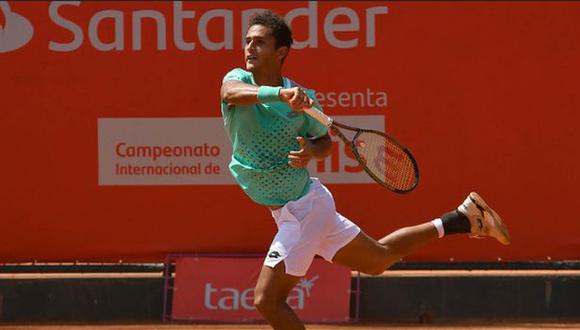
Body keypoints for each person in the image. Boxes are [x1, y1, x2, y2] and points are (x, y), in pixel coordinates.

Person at [219, 10, 511, 330]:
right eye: (247, 41)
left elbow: (323, 144)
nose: (249, 48)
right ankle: (462, 218)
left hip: (304, 209)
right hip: (296, 208)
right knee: (378, 259)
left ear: (281, 52)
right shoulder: (238, 80)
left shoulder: (306, 100)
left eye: (259, 43)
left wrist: (310, 152)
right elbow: (230, 94)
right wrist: (280, 95)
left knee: (267, 300)